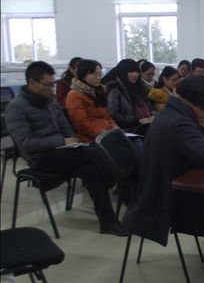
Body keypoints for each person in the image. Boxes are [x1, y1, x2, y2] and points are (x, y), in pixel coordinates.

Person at [123, 77, 204, 271]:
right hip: (169, 200)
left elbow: (198, 150)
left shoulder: (172, 113)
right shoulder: (179, 123)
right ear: (197, 104)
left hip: (164, 186)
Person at [4, 61, 127, 236]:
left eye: (53, 84)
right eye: (47, 85)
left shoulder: (50, 101)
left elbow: (65, 126)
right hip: (40, 159)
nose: (52, 89)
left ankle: (108, 222)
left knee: (90, 171)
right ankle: (121, 188)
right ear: (31, 82)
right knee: (93, 153)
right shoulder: (16, 108)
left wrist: (72, 140)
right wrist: (62, 141)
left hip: (63, 152)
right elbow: (26, 143)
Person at [65, 58, 118, 143]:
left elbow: (106, 116)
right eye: (94, 74)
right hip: (91, 139)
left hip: (107, 134)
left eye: (100, 74)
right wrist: (105, 134)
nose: (98, 77)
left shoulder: (97, 91)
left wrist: (115, 128)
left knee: (135, 141)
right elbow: (82, 125)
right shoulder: (75, 96)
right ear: (83, 75)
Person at [106, 59, 155, 135]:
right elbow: (114, 114)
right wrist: (138, 120)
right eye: (131, 72)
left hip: (145, 123)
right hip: (129, 128)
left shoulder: (140, 88)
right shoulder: (115, 89)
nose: (135, 75)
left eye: (136, 72)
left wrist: (153, 116)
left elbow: (150, 107)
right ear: (123, 72)